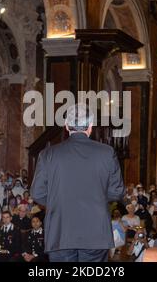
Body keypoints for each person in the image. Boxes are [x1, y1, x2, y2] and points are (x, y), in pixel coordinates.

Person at [31, 103, 125, 262]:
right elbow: (117, 192)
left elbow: (37, 193)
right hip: (95, 232)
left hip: (61, 232)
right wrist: (96, 198)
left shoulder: (48, 154)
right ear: (90, 126)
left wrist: (58, 202)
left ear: (67, 126)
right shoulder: (107, 153)